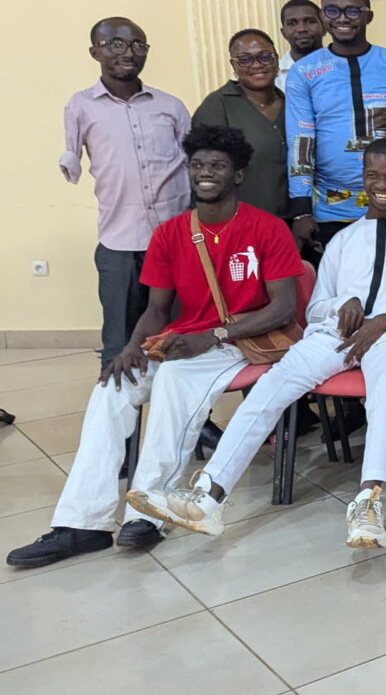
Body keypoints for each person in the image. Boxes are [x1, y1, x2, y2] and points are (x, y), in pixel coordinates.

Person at [128, 138, 386, 549]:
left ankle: (370, 502)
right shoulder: (343, 240)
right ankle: (209, 496)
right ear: (362, 179)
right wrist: (342, 304)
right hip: (335, 334)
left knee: (384, 392)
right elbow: (316, 308)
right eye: (372, 175)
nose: (381, 184)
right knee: (271, 388)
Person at [8, 126, 301, 569]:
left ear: (238, 174)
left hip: (239, 339)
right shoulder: (169, 234)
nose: (205, 174)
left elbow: (283, 308)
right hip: (185, 339)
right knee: (111, 389)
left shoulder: (267, 228)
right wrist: (132, 348)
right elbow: (157, 309)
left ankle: (149, 512)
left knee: (174, 383)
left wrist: (214, 336)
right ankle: (81, 523)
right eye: (197, 165)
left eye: (217, 166)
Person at [61, 16, 191, 370]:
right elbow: (71, 159)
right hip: (120, 245)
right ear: (95, 51)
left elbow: (194, 165)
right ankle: (121, 426)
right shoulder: (80, 106)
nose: (128, 52)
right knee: (120, 344)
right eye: (116, 44)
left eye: (137, 44)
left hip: (174, 242)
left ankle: (194, 424)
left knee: (179, 338)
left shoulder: (171, 106)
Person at [285, 0, 386, 255]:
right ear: (322, 16)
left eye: (352, 11)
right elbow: (301, 140)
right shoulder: (304, 72)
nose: (342, 19)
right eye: (332, 11)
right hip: (329, 210)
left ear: (368, 15)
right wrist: (300, 211)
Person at [195, 29, 289, 221]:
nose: (256, 65)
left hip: (296, 224)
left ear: (277, 59)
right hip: (241, 225)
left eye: (265, 57)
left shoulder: (293, 103)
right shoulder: (218, 106)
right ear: (233, 65)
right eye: (245, 59)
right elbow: (204, 174)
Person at [276, 0, 325, 92]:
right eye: (292, 23)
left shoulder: (343, 66)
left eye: (310, 21)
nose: (301, 29)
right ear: (284, 33)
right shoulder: (275, 75)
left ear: (324, 28)